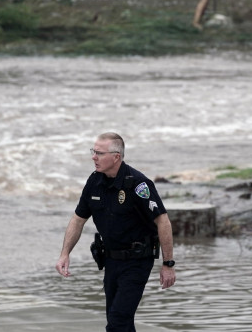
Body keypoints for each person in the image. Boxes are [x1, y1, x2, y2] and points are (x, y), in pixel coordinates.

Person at [56, 132, 176, 331]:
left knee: (118, 320)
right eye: (93, 152)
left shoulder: (139, 184)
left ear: (116, 157)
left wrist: (168, 263)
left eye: (99, 153)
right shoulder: (95, 181)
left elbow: (163, 221)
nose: (94, 157)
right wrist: (65, 254)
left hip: (137, 261)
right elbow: (78, 219)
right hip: (111, 260)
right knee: (120, 321)